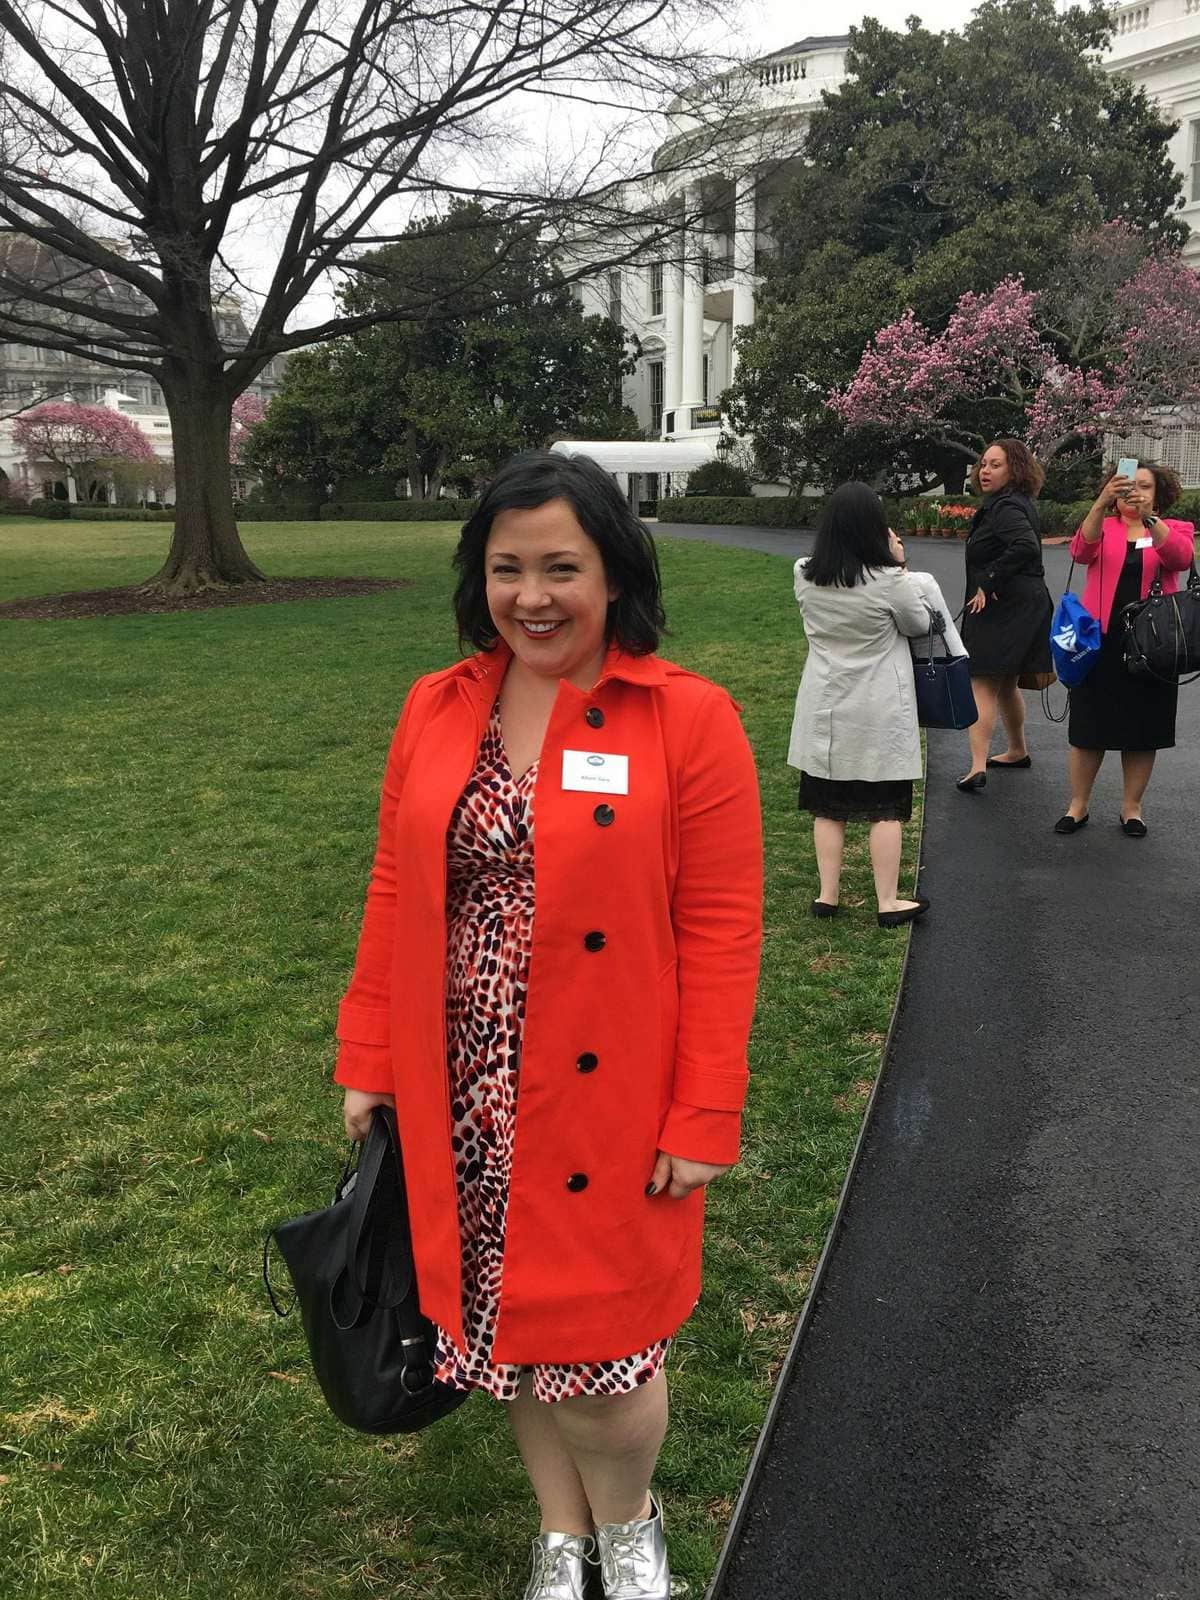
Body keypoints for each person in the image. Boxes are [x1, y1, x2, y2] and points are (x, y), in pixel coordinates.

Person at [332, 450, 763, 1600]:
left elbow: (724, 929)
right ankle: (558, 1534)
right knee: (506, 1319)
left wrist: (704, 1107)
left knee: (607, 1347)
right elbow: (393, 889)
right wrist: (369, 1055)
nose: (532, 595)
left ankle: (630, 1528)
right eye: (506, 566)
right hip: (461, 1072)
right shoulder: (437, 704)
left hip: (612, 1089)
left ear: (615, 573)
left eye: (561, 566)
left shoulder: (688, 718)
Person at [788, 482, 949, 929]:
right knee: (885, 806)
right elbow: (919, 624)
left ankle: (828, 894)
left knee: (827, 804)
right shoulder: (888, 581)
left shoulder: (804, 572)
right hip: (879, 705)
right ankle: (887, 900)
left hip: (826, 700)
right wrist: (898, 563)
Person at [1053, 461, 1195, 837]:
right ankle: (1078, 805)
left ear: (1158, 494)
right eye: (1130, 487)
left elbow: (1180, 558)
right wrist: (1100, 504)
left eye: (1145, 487)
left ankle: (1132, 807)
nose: (1137, 493)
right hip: (1100, 639)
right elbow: (1080, 552)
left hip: (1152, 644)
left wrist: (1150, 519)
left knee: (1143, 727)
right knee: (1088, 727)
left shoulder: (1174, 528)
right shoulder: (1105, 525)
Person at [957, 438, 1054, 792]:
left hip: (1005, 605)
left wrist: (988, 581)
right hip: (1024, 602)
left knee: (981, 681)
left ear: (1015, 469)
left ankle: (977, 766)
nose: (984, 470)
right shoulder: (1013, 503)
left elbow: (1025, 546)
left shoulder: (1006, 508)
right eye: (983, 463)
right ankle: (1017, 750)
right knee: (1007, 683)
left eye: (995, 465)